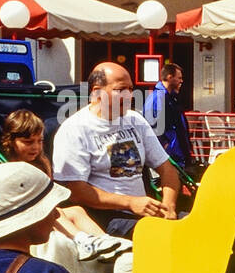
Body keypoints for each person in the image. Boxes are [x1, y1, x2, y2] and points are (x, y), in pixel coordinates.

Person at [51, 61, 180, 239]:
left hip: (144, 213)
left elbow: (167, 169)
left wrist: (169, 207)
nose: (129, 95)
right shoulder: (75, 129)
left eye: (131, 88)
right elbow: (76, 191)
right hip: (104, 218)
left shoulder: (136, 120)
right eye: (121, 90)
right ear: (97, 91)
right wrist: (130, 202)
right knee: (160, 236)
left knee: (198, 225)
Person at [0, 109, 130, 262]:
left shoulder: (42, 163)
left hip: (44, 212)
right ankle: (82, 240)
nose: (35, 147)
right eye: (28, 142)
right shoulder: (7, 167)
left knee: (76, 211)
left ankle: (106, 242)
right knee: (55, 212)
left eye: (40, 141)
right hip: (20, 217)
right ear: (10, 141)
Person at [144, 62, 195, 170]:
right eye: (179, 78)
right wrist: (166, 146)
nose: (181, 81)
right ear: (169, 77)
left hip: (177, 154)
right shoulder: (158, 98)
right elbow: (152, 126)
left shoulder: (171, 98)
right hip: (170, 156)